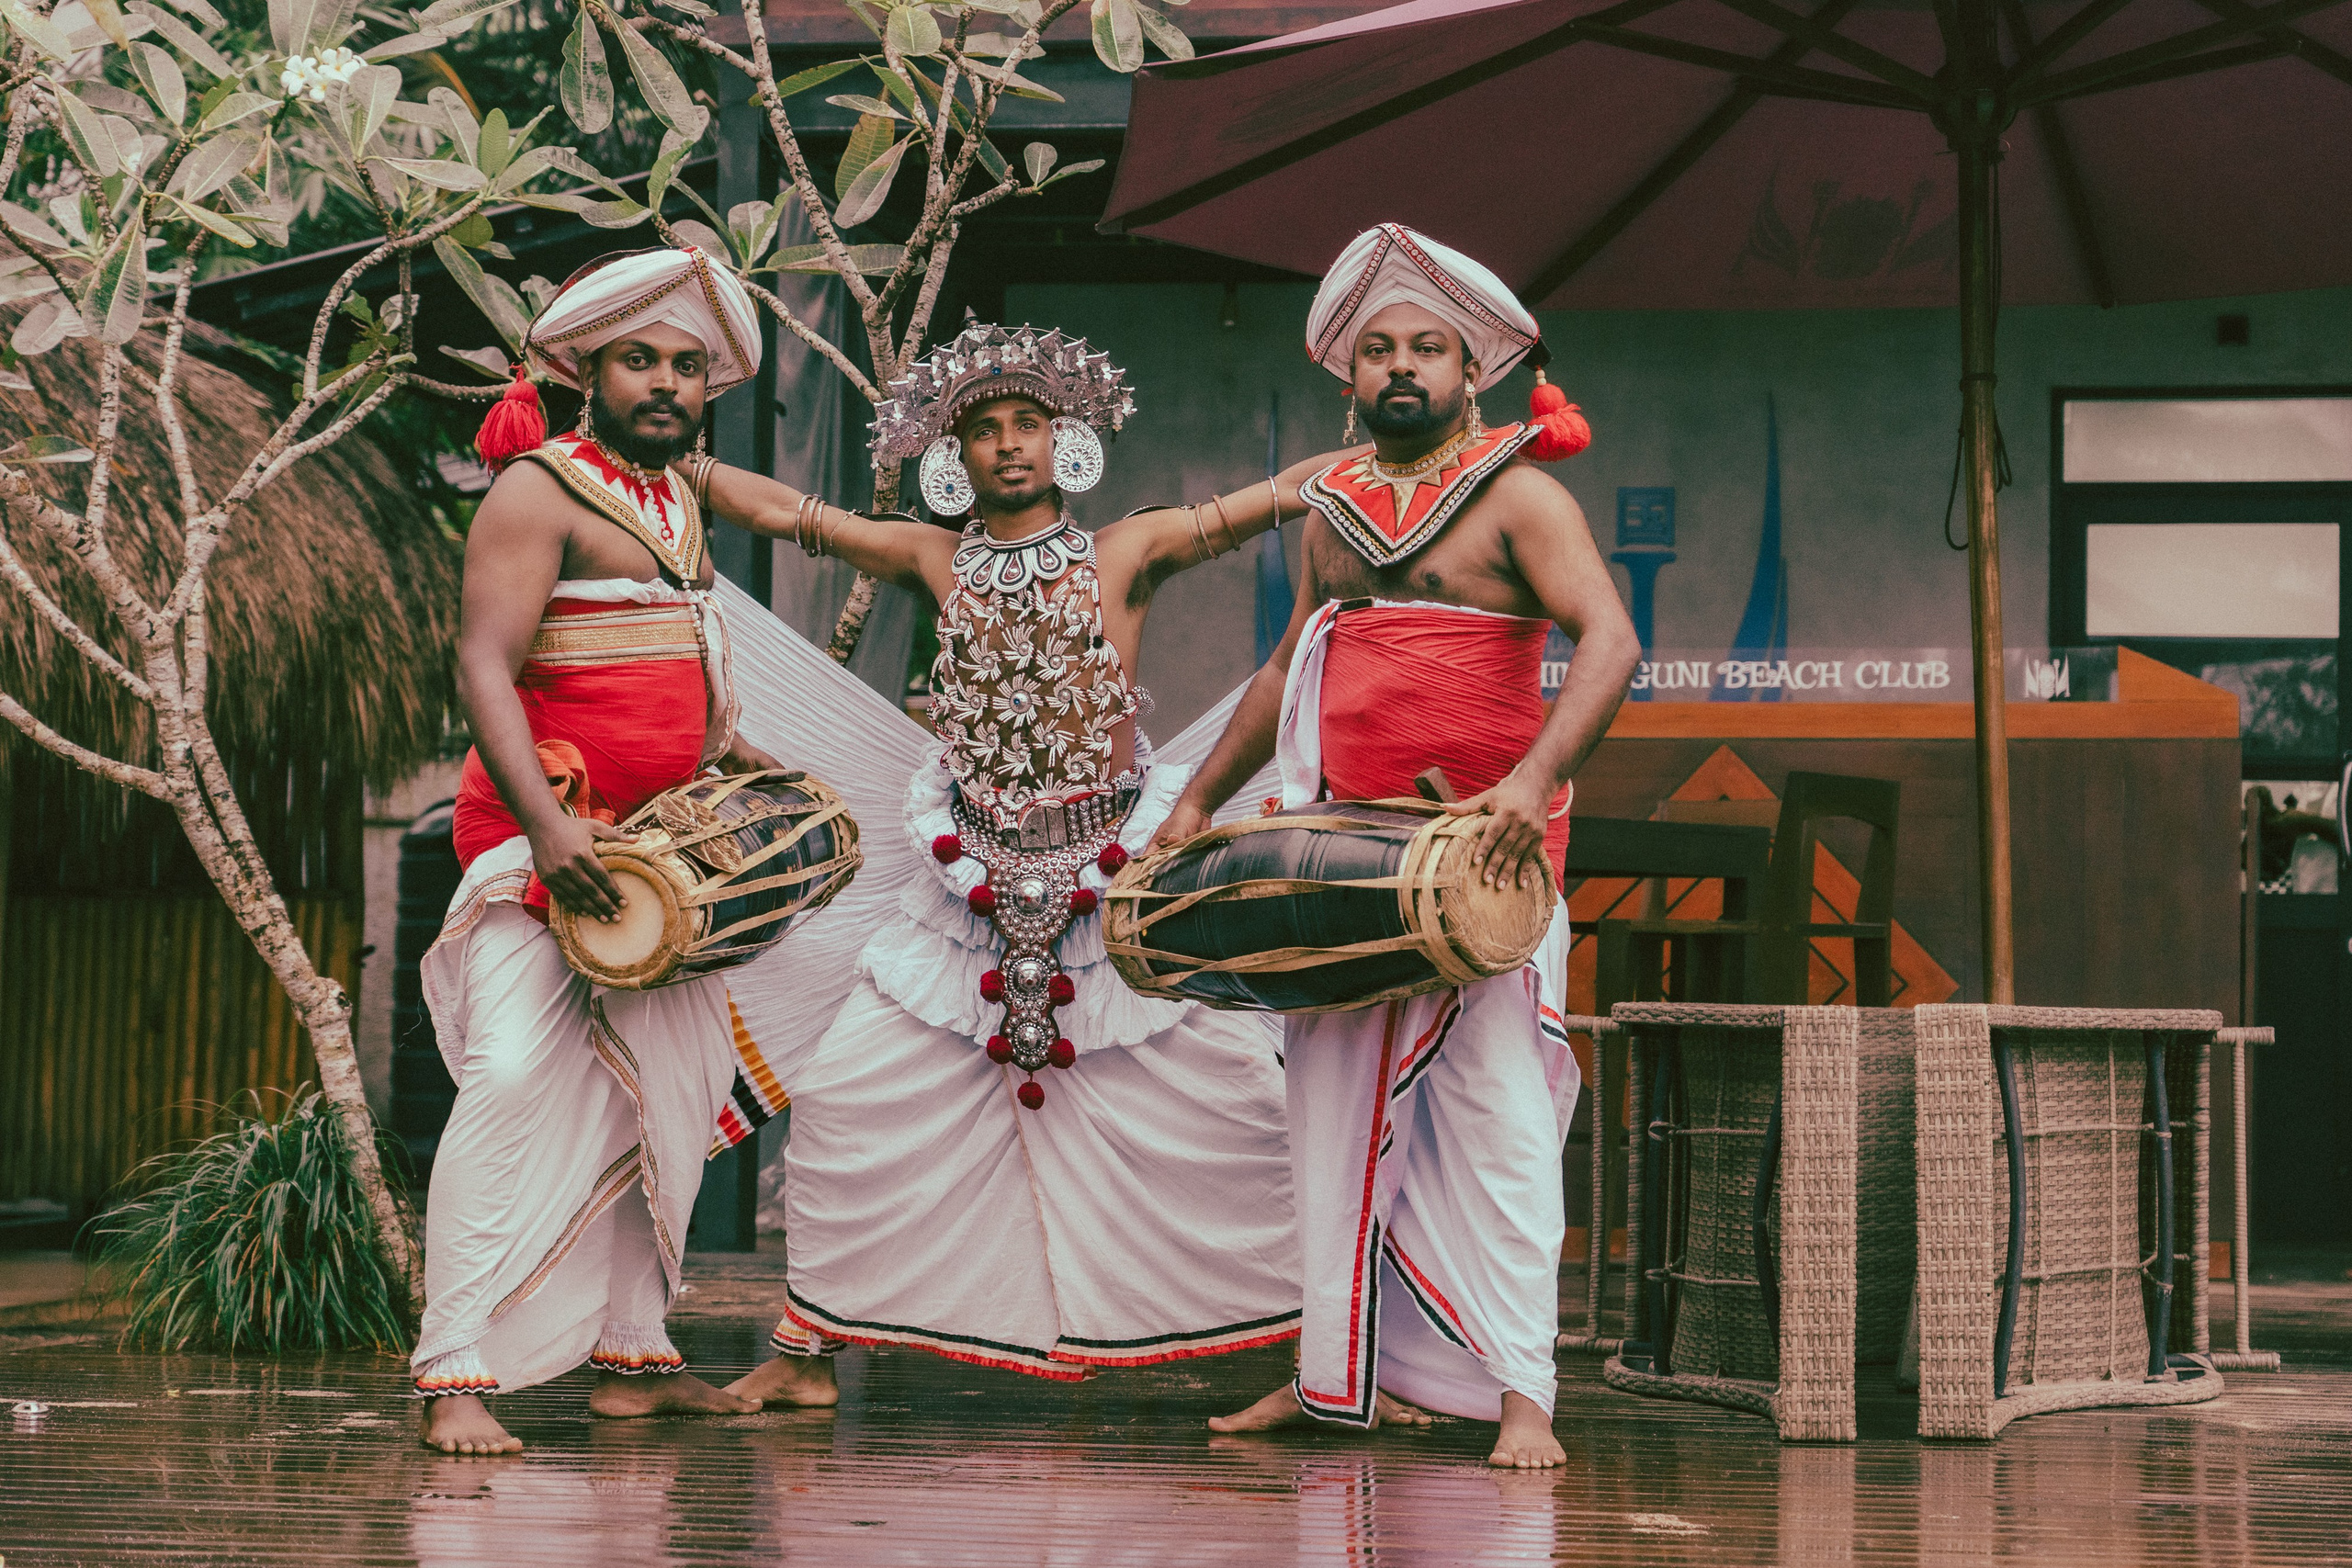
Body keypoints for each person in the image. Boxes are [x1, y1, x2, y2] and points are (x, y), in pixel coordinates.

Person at [692, 321, 1351, 1406]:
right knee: (854, 1096)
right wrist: (672, 467)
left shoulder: (1127, 551)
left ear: (1066, 440)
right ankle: (808, 1352)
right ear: (954, 458)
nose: (1008, 447)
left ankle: (1308, 1357)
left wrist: (1385, 462)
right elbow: (792, 517)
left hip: (1112, 881)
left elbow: (1273, 496)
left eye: (1029, 426)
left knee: (1229, 1105)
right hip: (962, 886)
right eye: (985, 431)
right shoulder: (930, 555)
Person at [1151, 223, 1641, 1468]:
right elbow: (1286, 667)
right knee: (1326, 1116)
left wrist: (1532, 783)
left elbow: (1612, 641)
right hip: (1343, 864)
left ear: (1472, 370)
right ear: (1349, 378)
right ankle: (1332, 1378)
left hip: (1478, 871)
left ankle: (1524, 1393)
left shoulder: (1524, 492)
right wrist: (1199, 797)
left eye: (1428, 346)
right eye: (1380, 350)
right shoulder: (1335, 512)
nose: (1403, 366)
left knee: (1495, 1119)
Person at [413, 247, 785, 1454]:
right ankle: (454, 1368)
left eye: (687, 364)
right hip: (544, 844)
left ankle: (634, 1354)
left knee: (670, 1099)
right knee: (515, 1075)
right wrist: (548, 828)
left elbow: (680, 678)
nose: (666, 382)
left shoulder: (675, 507)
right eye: (641, 360)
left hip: (662, 864)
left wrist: (745, 770)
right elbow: (484, 663)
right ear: (585, 370)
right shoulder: (536, 490)